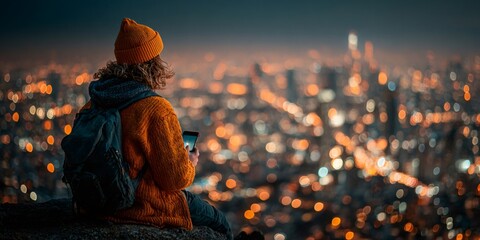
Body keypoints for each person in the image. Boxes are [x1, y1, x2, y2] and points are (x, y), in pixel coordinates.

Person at [84, 18, 233, 239]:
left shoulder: (96, 100)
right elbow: (174, 180)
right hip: (141, 206)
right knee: (221, 225)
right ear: (151, 63)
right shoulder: (155, 108)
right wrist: (189, 162)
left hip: (97, 202)